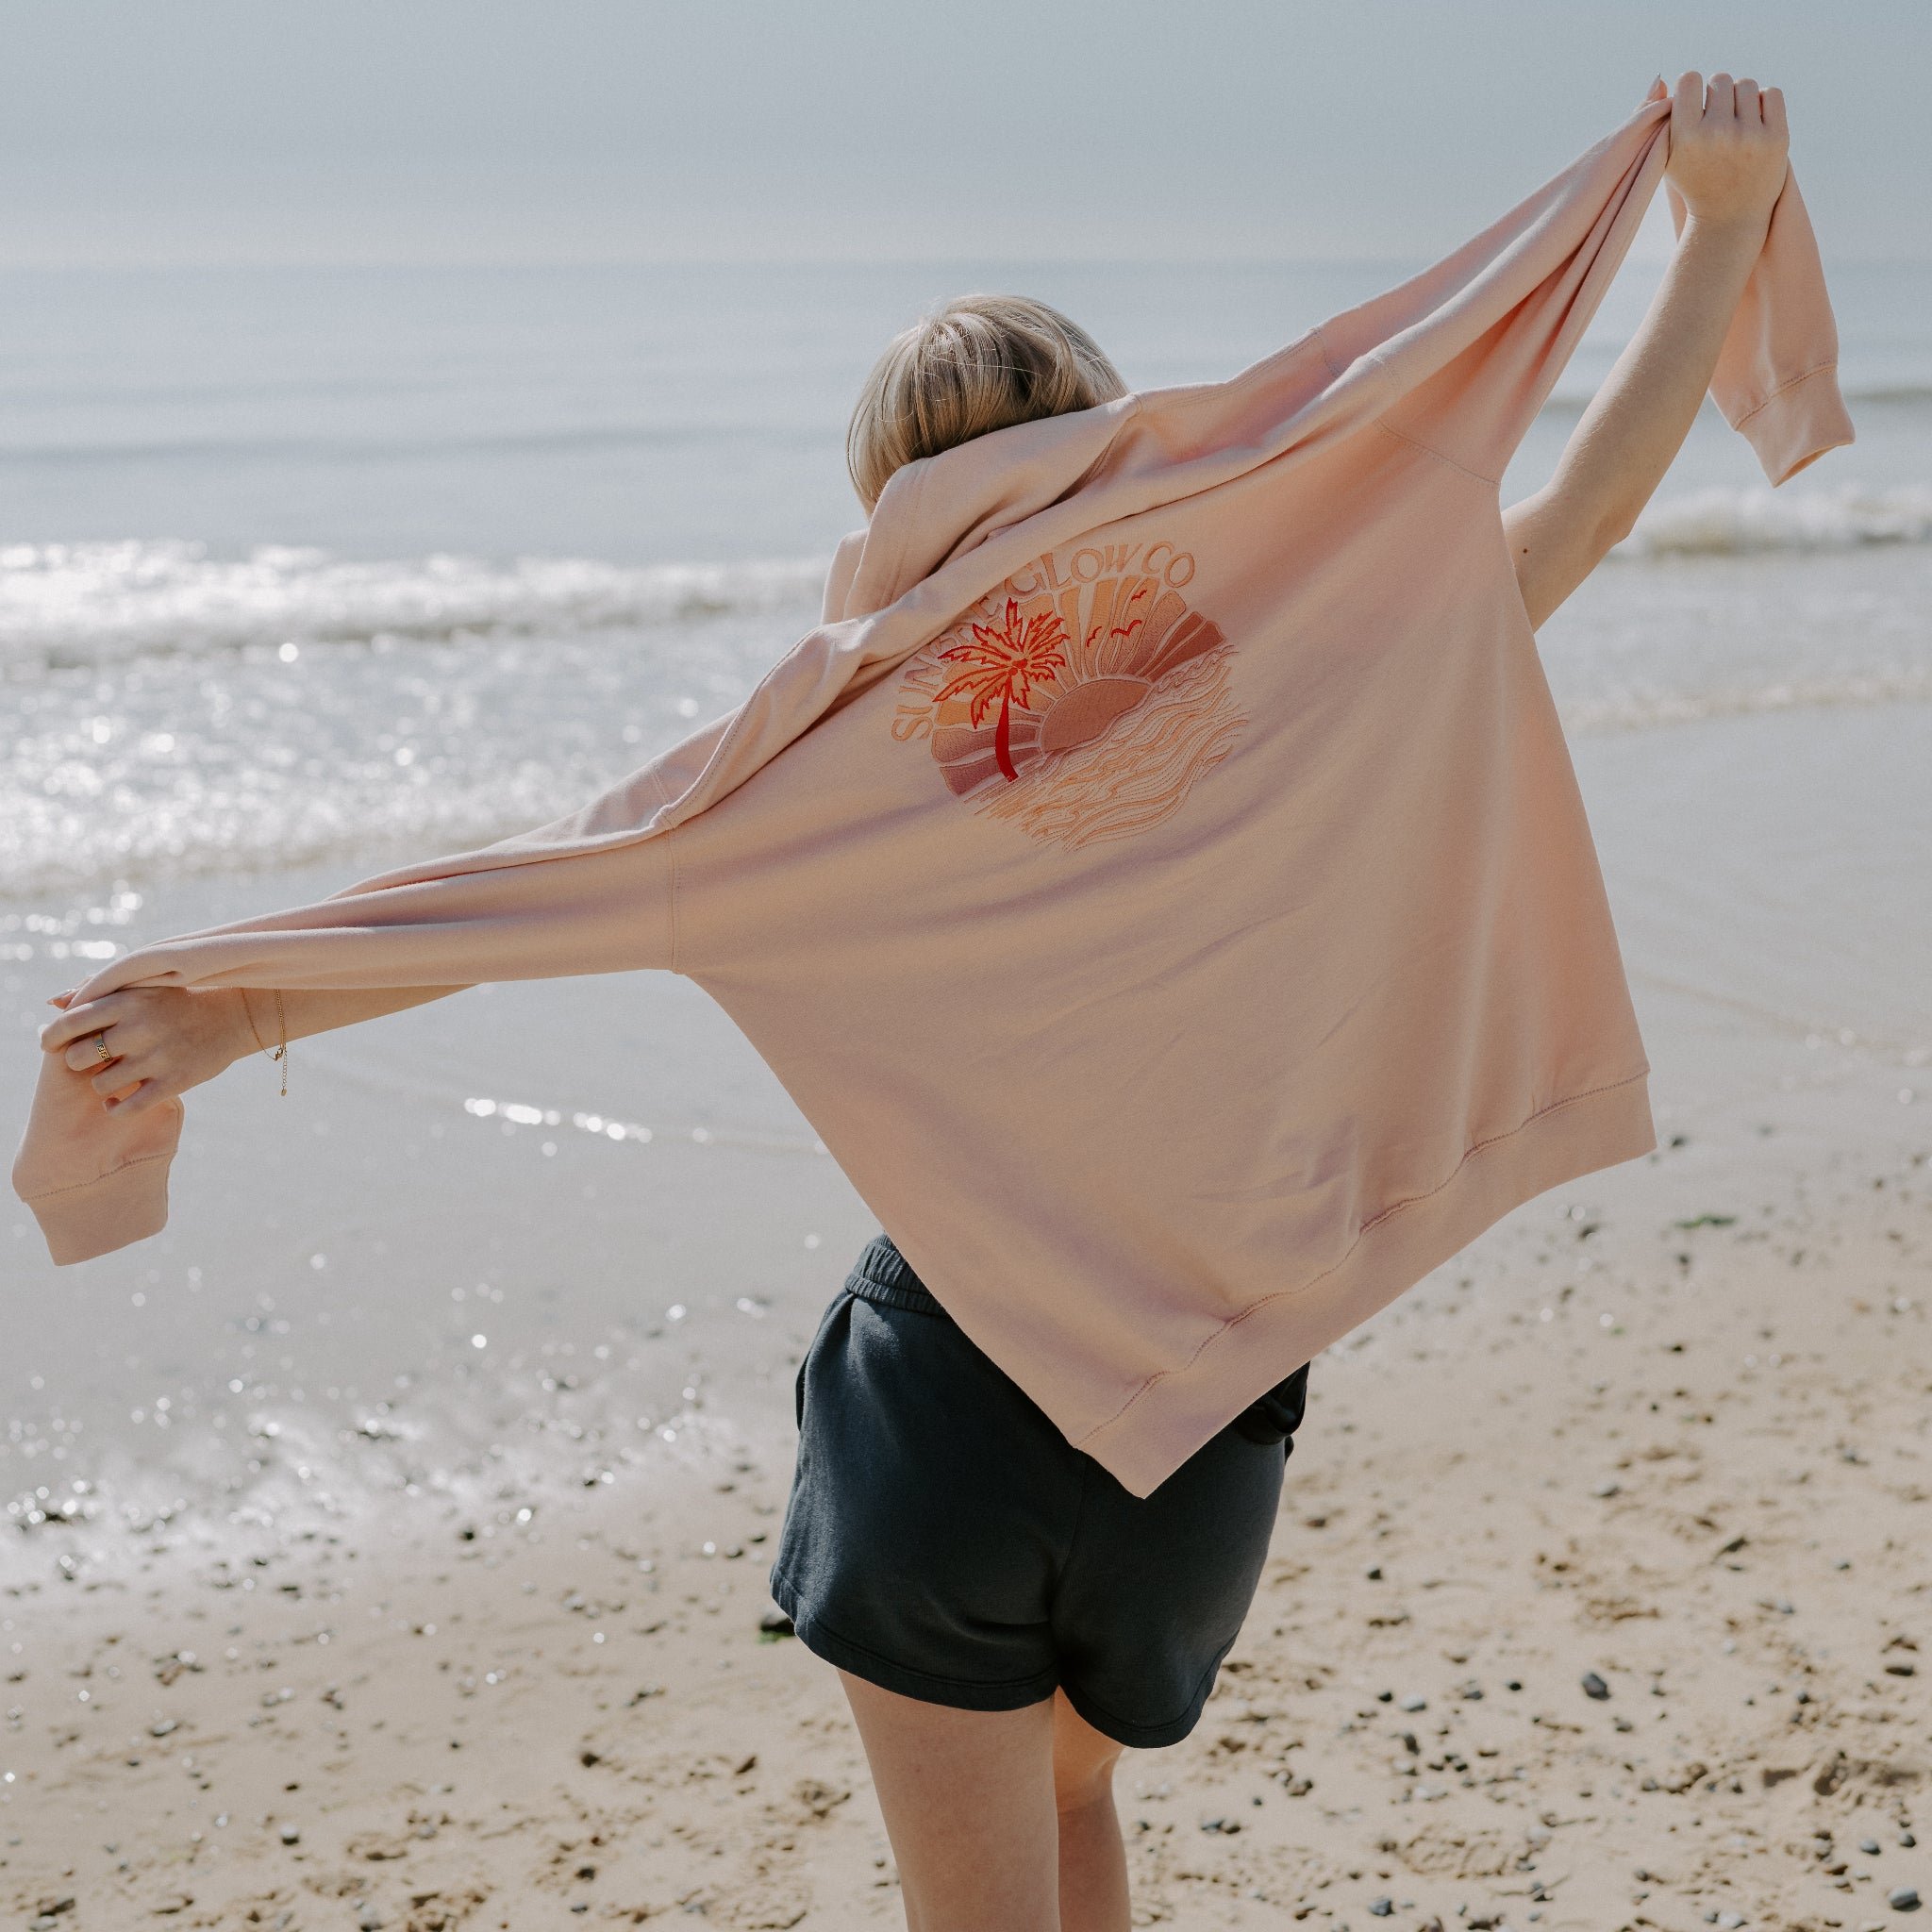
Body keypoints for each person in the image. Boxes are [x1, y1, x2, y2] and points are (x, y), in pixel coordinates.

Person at [35, 74, 1804, 1932]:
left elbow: (525, 892)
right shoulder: (1315, 668)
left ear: (884, 498)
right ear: (1122, 443)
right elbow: (1571, 520)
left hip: (954, 1409)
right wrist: (1710, 231)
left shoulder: (818, 759)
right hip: (1204, 1427)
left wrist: (230, 1018)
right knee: (1071, 1828)